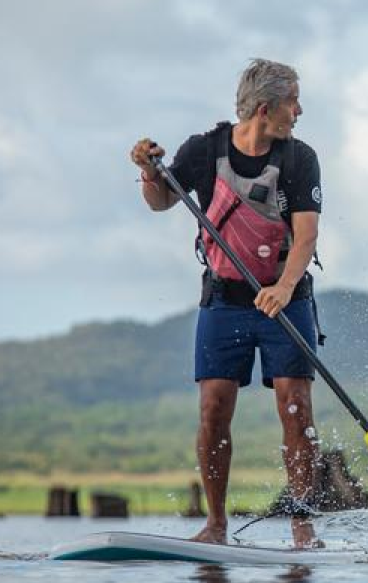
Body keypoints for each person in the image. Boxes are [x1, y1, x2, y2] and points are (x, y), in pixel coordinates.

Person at [129, 58, 324, 548]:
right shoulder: (205, 150)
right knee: (214, 408)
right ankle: (215, 526)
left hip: (286, 299)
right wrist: (149, 172)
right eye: (292, 101)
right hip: (224, 301)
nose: (299, 111)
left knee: (295, 406)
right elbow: (159, 202)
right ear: (265, 108)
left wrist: (282, 287)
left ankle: (304, 529)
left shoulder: (300, 160)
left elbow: (305, 238)